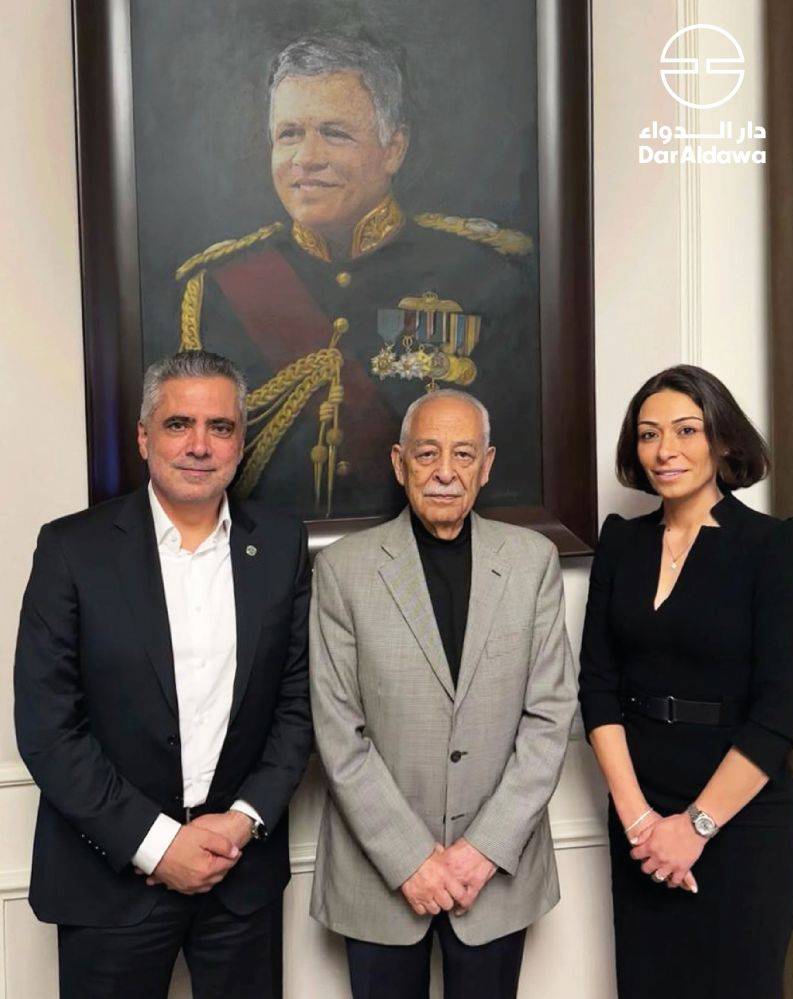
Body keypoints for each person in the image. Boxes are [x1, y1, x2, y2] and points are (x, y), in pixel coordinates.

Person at [14, 351, 312, 999]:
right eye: (179, 424)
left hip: (241, 877)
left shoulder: (282, 543)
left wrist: (243, 819)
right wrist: (156, 844)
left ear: (240, 441)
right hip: (109, 882)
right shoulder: (71, 549)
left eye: (220, 427)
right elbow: (48, 729)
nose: (200, 445)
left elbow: (297, 706)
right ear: (144, 437)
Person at [175, 35, 539, 520]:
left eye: (334, 133)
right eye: (289, 134)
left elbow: (513, 456)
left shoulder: (483, 274)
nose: (307, 157)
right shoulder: (220, 287)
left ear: (394, 149)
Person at [309, 389, 576, 999]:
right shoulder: (343, 570)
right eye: (428, 454)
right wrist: (410, 858)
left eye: (463, 454)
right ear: (399, 463)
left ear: (487, 465)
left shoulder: (532, 561)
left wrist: (483, 849)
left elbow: (550, 716)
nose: (445, 472)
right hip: (377, 876)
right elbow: (337, 731)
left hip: (497, 874)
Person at [578, 365, 793, 999]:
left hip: (741, 820)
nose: (664, 450)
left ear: (722, 441)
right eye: (649, 434)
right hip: (640, 815)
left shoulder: (774, 546)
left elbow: (783, 709)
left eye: (685, 430)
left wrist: (694, 827)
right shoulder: (621, 543)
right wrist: (640, 823)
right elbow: (597, 686)